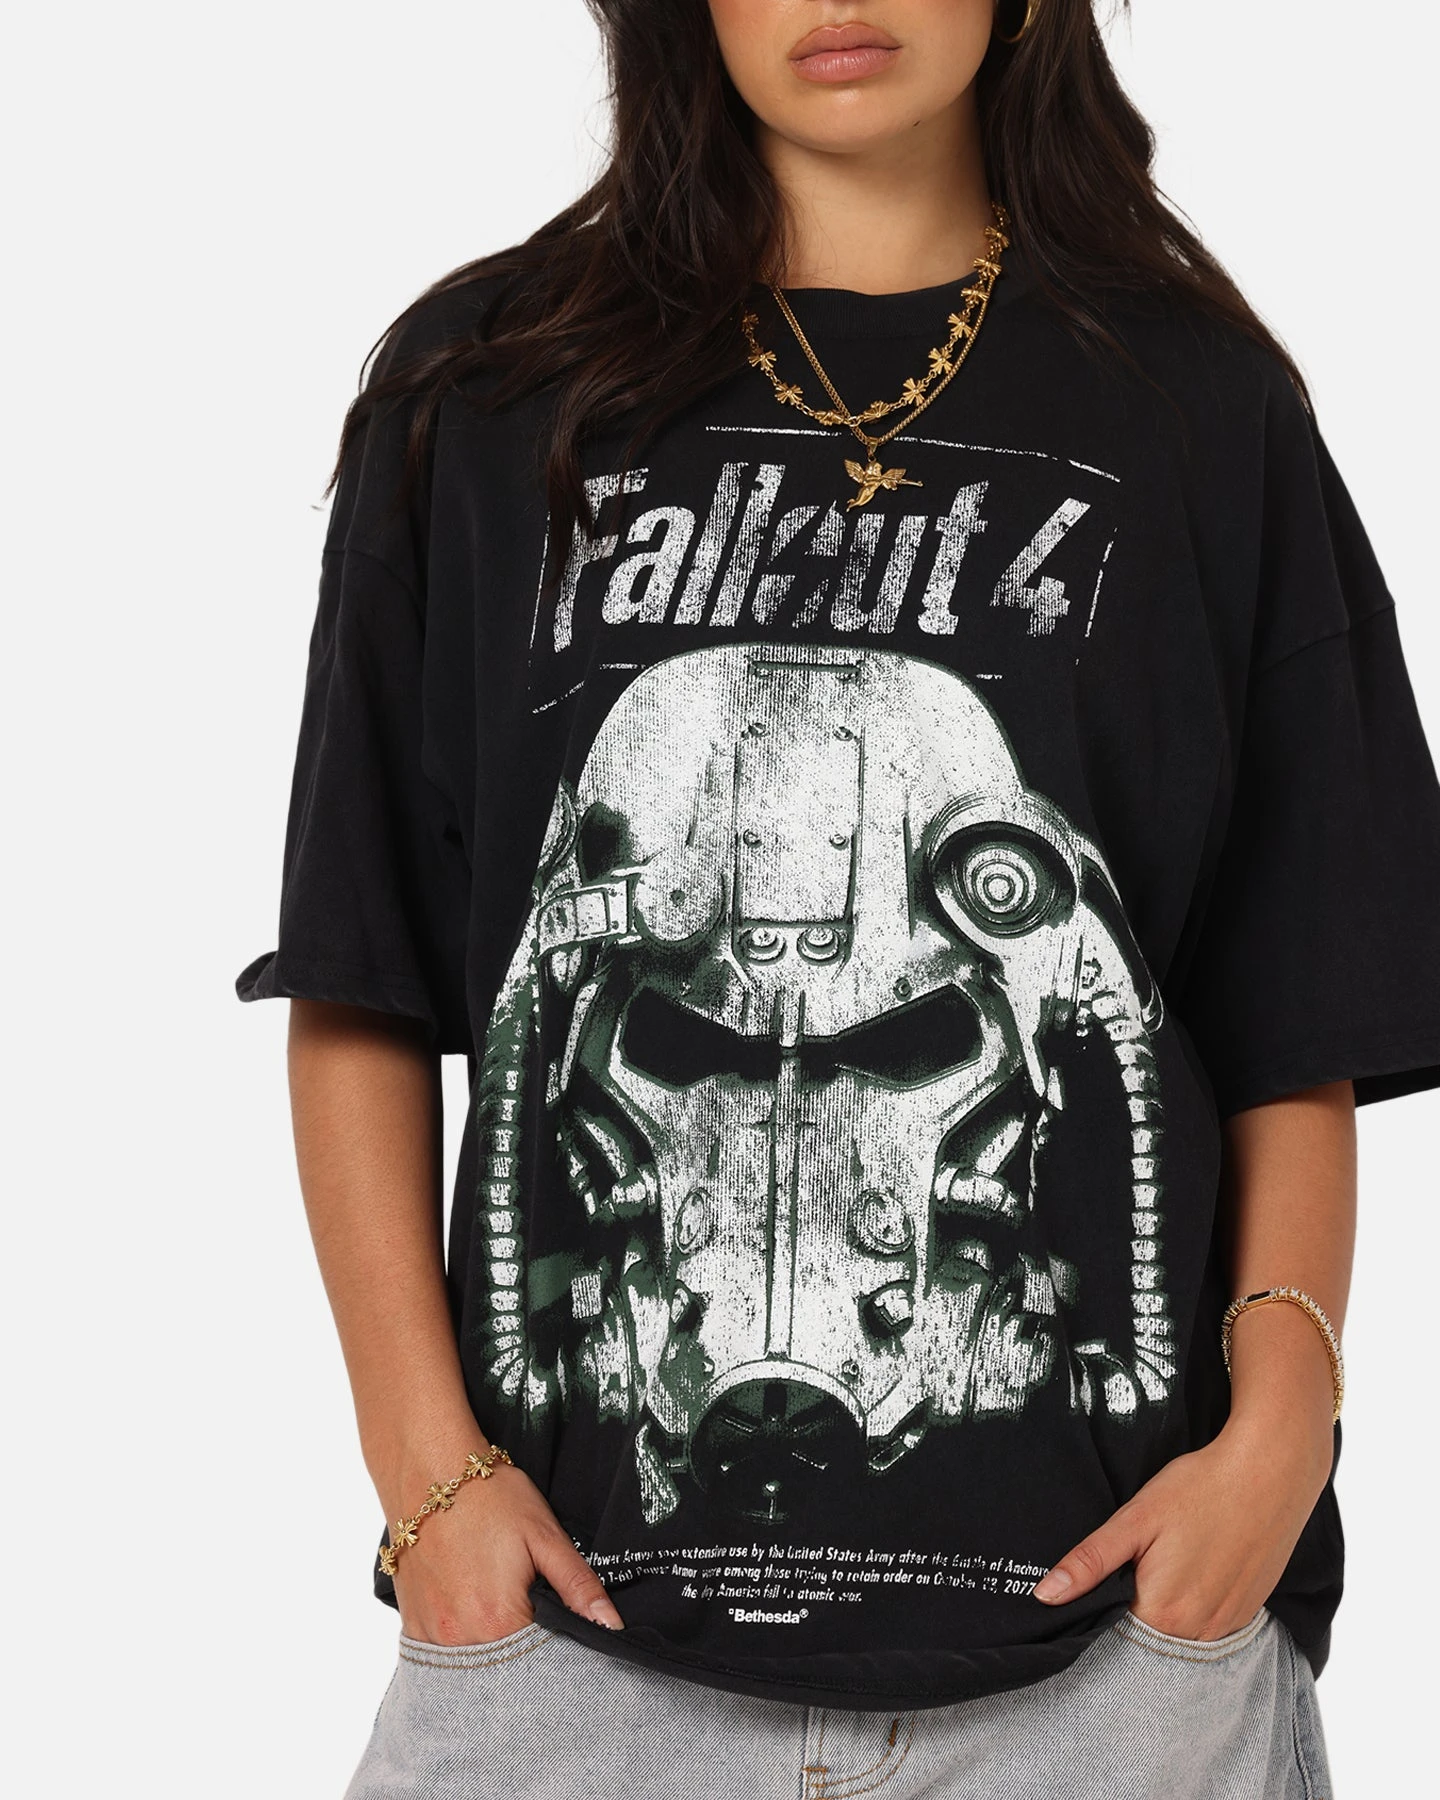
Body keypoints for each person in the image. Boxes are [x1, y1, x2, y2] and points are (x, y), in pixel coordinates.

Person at [237, 2, 1440, 1793]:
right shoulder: (482, 393)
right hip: (571, 1653)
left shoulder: (1198, 407)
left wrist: (1277, 1440)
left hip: (1112, 1668)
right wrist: (429, 1480)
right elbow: (366, 974)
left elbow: (1295, 1007)